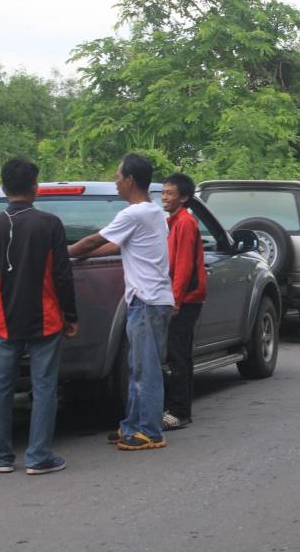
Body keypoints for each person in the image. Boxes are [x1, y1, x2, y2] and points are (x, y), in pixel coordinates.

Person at [0, 158, 78, 475]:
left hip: (3, 320)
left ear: (4, 188)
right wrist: (71, 314)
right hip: (46, 318)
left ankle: (0, 457)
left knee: (1, 388)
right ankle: (38, 457)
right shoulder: (49, 224)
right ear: (34, 187)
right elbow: (62, 275)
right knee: (44, 386)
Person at [69, 154, 174, 451]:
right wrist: (83, 256)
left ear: (130, 180)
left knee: (145, 368)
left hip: (146, 301)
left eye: (118, 176)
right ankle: (132, 424)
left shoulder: (134, 214)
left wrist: (62, 253)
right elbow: (115, 245)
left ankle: (151, 432)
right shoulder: (152, 212)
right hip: (152, 299)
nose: (115, 181)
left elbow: (93, 240)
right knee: (136, 365)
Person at [160, 173, 206, 431]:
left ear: (184, 197)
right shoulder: (174, 222)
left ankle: (179, 411)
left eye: (170, 193)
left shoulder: (186, 223)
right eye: (163, 193)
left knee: (177, 354)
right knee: (178, 353)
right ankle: (177, 407)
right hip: (180, 296)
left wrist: (175, 301)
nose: (165, 197)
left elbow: (184, 266)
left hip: (186, 298)